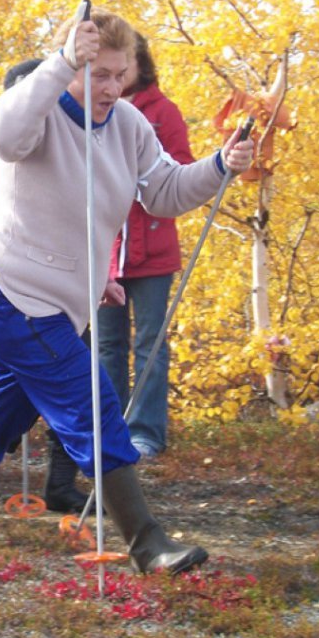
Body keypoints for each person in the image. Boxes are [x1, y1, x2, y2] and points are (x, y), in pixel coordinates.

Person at [0, 7, 254, 575]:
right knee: (92, 401)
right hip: (4, 289)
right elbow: (2, 133)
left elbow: (163, 192)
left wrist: (220, 165)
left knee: (4, 414)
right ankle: (146, 543)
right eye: (99, 74)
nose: (112, 87)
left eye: (122, 75)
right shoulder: (37, 113)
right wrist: (64, 59)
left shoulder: (129, 125)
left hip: (60, 302)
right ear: (71, 66)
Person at [0, 58, 90, 514]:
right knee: (32, 387)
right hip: (1, 288)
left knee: (39, 387)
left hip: (60, 287)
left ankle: (59, 483)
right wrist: (24, 244)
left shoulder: (65, 141)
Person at [97, 35, 194, 458]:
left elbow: (182, 173)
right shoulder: (91, 108)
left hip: (152, 249)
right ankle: (108, 427)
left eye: (126, 65)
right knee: (105, 344)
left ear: (140, 63)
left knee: (150, 342)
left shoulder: (163, 112)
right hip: (103, 248)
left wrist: (142, 179)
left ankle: (147, 432)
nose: (119, 75)